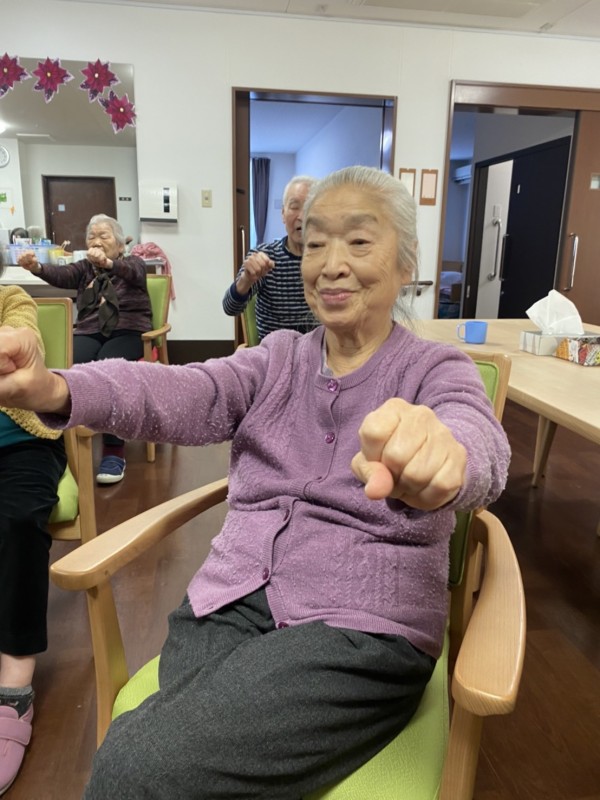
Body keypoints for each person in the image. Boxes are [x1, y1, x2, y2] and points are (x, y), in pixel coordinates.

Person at [0, 166, 510, 799]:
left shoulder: (436, 368)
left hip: (363, 627)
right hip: (231, 599)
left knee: (132, 766)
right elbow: (181, 390)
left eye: (358, 241)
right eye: (315, 243)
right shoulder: (279, 357)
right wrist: (56, 387)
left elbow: (477, 438)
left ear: (406, 262)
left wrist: (446, 456)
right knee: (172, 756)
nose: (331, 264)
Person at [17, 214, 152, 485]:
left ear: (120, 244)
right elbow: (62, 275)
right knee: (66, 367)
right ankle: (60, 438)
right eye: (92, 236)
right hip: (90, 330)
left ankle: (113, 447)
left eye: (104, 236)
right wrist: (37, 267)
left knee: (108, 366)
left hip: (128, 331)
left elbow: (133, 272)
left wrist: (108, 264)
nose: (96, 241)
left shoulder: (133, 263)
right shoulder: (84, 268)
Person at [0, 253, 67, 796]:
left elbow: (24, 335)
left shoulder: (11, 299)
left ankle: (15, 682)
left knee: (21, 518)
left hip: (23, 444)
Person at [222, 174, 319, 340]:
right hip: (274, 351)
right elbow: (230, 308)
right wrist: (246, 279)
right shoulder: (265, 256)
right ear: (283, 213)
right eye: (294, 207)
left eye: (310, 207)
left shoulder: (329, 260)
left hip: (318, 351)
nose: (302, 217)